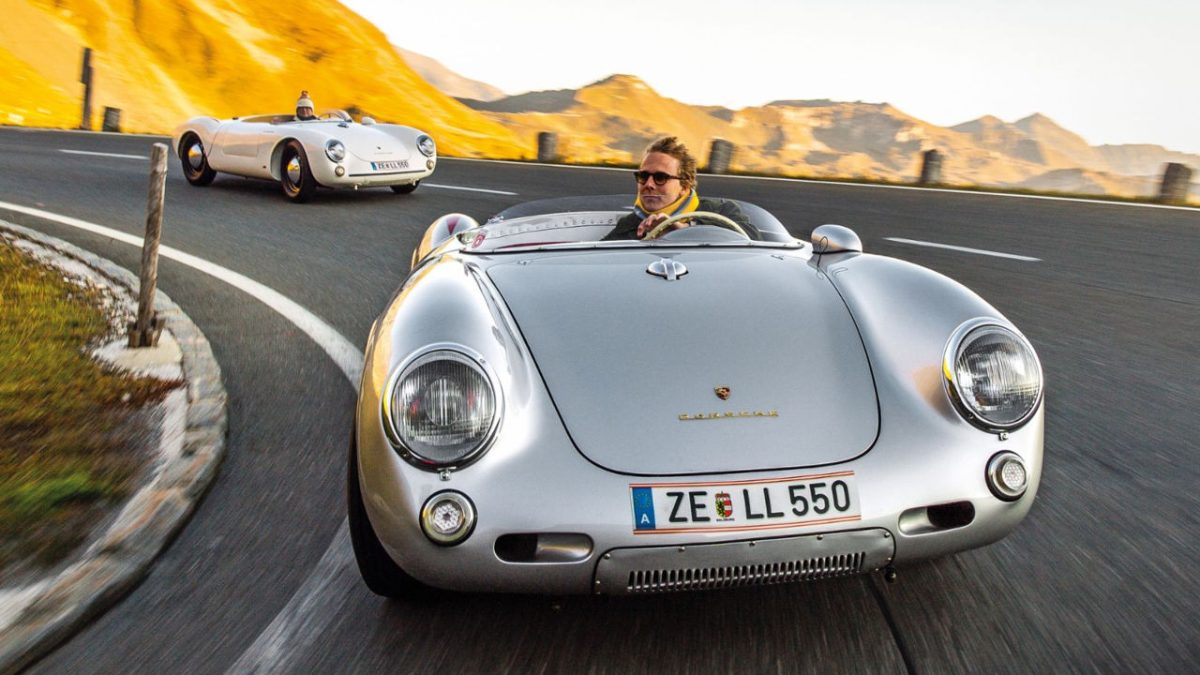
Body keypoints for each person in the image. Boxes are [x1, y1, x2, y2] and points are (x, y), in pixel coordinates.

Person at [603, 136, 755, 240]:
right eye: (643, 176)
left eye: (660, 178)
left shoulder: (721, 211)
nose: (648, 184)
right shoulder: (629, 224)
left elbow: (752, 240)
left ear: (684, 185)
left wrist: (685, 229)